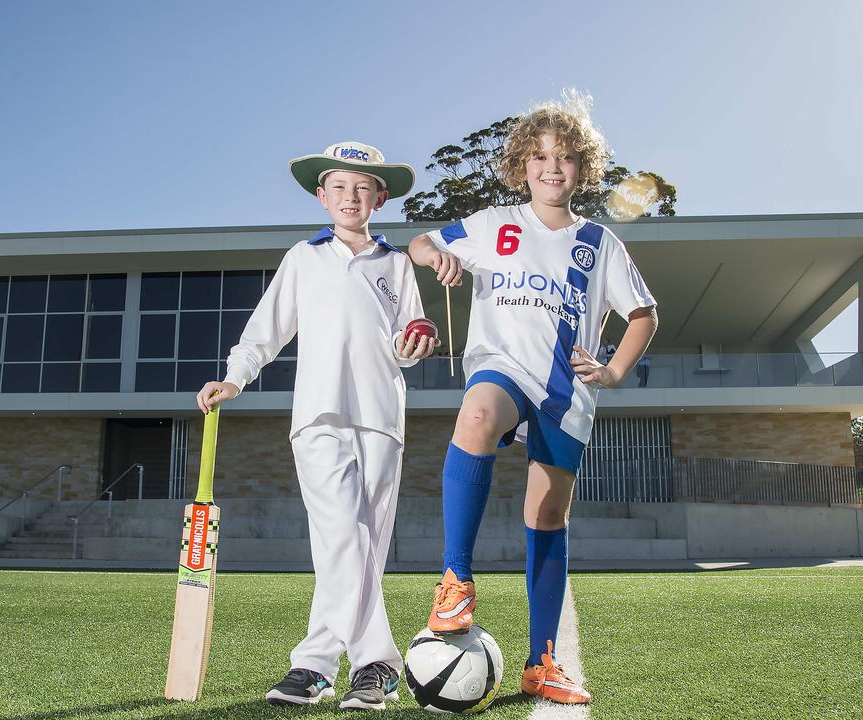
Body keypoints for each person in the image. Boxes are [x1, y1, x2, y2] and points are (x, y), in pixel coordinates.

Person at [406, 94, 658, 705]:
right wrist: (437, 255)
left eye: (566, 158)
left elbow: (644, 313)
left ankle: (541, 661)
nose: (553, 168)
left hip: (567, 392)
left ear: (583, 169)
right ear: (521, 165)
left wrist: (615, 369)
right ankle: (455, 579)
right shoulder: (494, 225)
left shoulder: (598, 242)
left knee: (547, 518)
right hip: (501, 367)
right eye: (540, 157)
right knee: (477, 412)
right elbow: (418, 243)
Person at [197, 141, 436, 711]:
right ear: (321, 194)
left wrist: (415, 345)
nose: (351, 197)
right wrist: (235, 379)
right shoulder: (303, 257)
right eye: (339, 187)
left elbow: (408, 343)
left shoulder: (397, 263)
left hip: (381, 418)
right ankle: (378, 662)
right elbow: (265, 332)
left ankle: (313, 666)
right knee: (338, 537)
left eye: (363, 188)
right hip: (318, 417)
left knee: (364, 546)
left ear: (379, 197)